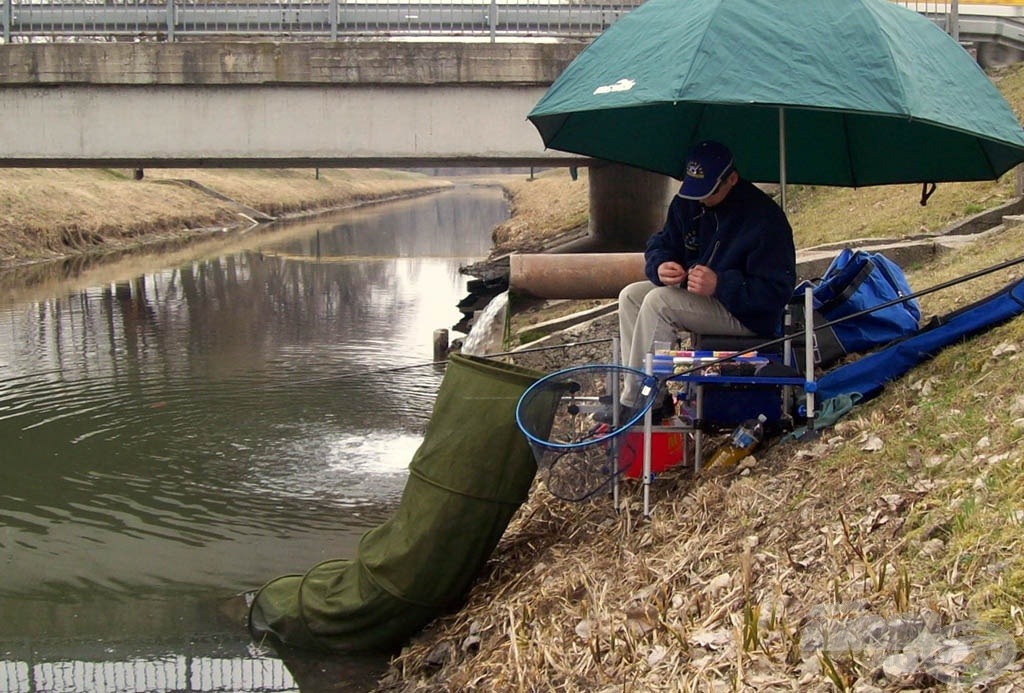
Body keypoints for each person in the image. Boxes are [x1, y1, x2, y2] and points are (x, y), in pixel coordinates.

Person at [614, 140, 796, 414]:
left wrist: (721, 284)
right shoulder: (687, 203)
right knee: (630, 296)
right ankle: (652, 396)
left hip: (748, 315)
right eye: (694, 189)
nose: (700, 199)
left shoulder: (765, 219)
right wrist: (660, 264)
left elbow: (775, 293)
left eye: (709, 191)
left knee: (659, 302)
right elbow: (661, 243)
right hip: (700, 300)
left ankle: (637, 403)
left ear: (731, 179)